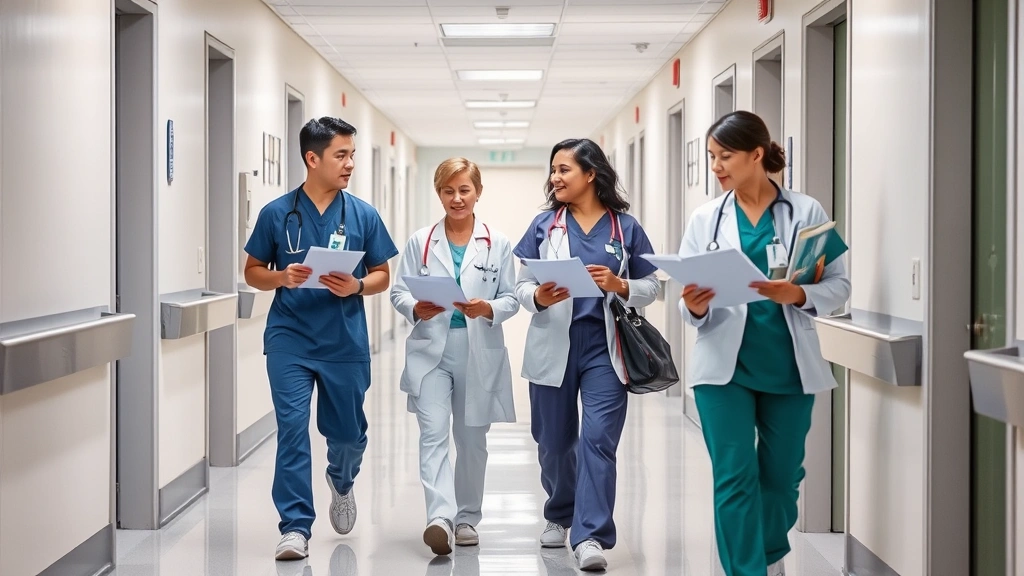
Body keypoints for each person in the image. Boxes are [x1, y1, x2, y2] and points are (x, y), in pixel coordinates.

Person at [678, 111, 850, 576]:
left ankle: (767, 553)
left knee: (781, 480)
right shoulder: (705, 218)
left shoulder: (805, 211)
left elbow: (839, 286)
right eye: (712, 157)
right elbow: (687, 304)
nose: (717, 167)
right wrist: (693, 305)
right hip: (722, 370)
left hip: (788, 367)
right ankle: (747, 570)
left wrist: (799, 294)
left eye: (725, 156)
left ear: (757, 154)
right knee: (734, 479)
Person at [243, 116, 399, 561]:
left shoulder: (362, 214)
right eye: (341, 155)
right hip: (289, 337)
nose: (350, 163)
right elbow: (252, 272)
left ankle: (342, 480)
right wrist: (280, 277)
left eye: (352, 154)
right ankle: (295, 526)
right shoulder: (277, 214)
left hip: (344, 339)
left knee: (347, 435)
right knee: (292, 430)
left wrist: (358, 286)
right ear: (312, 159)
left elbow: (383, 274)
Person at [512, 138, 660, 572]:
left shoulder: (625, 229)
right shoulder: (545, 225)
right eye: (553, 170)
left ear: (590, 174)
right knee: (554, 442)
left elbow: (652, 286)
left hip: (605, 347)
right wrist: (537, 295)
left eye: (564, 170)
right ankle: (560, 512)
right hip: (554, 344)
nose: (555, 178)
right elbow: (520, 287)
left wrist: (622, 286)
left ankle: (590, 534)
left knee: (598, 440)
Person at [390, 158, 519, 556]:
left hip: (477, 351)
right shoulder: (420, 241)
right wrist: (415, 307)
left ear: (478, 192)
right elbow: (399, 292)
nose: (457, 198)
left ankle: (467, 518)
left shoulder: (497, 242)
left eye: (464, 190)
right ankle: (440, 518)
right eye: (448, 191)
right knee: (432, 434)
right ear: (439, 193)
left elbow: (513, 298)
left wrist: (489, 309)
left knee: (472, 438)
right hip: (431, 350)